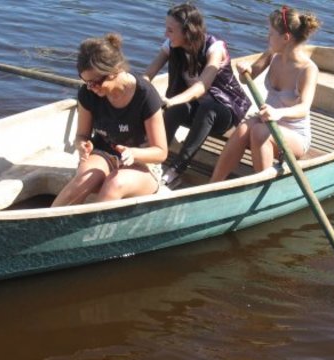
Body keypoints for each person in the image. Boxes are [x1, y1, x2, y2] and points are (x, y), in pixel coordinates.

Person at [52, 33, 167, 207]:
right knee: (82, 180)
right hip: (104, 154)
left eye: (95, 82)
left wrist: (133, 153)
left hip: (142, 163)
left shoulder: (146, 95)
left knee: (114, 183)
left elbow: (160, 152)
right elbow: (82, 135)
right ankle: (47, 219)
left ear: (114, 71)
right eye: (86, 82)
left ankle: (94, 224)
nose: (91, 88)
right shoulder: (88, 93)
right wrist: (81, 144)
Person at [144, 3, 251, 187]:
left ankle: (176, 169)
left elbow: (202, 87)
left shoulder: (214, 49)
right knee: (177, 109)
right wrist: (133, 89)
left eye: (170, 30)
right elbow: (148, 75)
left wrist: (170, 101)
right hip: (196, 107)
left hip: (224, 109)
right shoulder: (172, 45)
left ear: (188, 32)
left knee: (206, 108)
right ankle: (154, 159)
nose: (165, 34)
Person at [210, 6, 321, 182]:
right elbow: (247, 78)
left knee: (260, 131)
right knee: (243, 129)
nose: (267, 37)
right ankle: (214, 183)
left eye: (271, 34)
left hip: (295, 135)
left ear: (286, 38)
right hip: (267, 121)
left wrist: (278, 113)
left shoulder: (308, 69)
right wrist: (245, 70)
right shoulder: (272, 54)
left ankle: (263, 186)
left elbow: (304, 108)